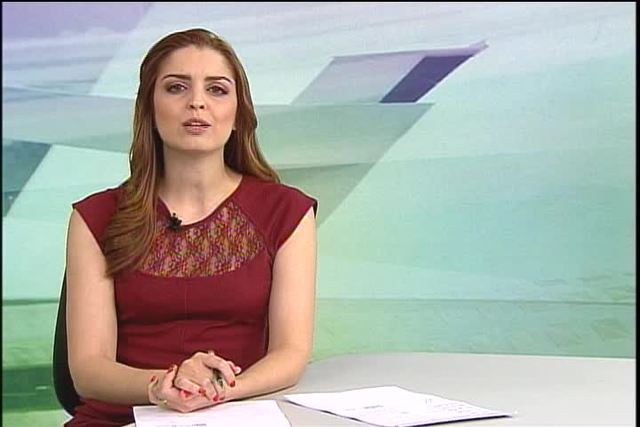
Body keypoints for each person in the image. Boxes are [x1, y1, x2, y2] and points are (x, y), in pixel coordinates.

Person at [64, 28, 317, 426]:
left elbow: (290, 353)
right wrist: (162, 386)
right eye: (176, 87)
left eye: (217, 89)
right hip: (122, 418)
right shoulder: (95, 217)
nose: (197, 102)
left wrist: (217, 390)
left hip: (237, 412)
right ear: (149, 109)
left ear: (239, 114)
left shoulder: (286, 212)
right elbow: (88, 370)